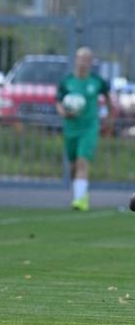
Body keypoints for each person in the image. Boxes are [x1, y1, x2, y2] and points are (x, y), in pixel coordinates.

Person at [56, 47, 113, 211]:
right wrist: (64, 113)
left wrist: (109, 120)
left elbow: (108, 100)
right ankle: (80, 194)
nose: (83, 63)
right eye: (81, 59)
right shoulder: (67, 81)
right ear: (76, 60)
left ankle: (80, 200)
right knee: (73, 165)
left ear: (91, 63)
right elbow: (58, 102)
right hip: (71, 128)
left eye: (87, 60)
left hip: (89, 127)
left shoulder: (97, 81)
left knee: (82, 161)